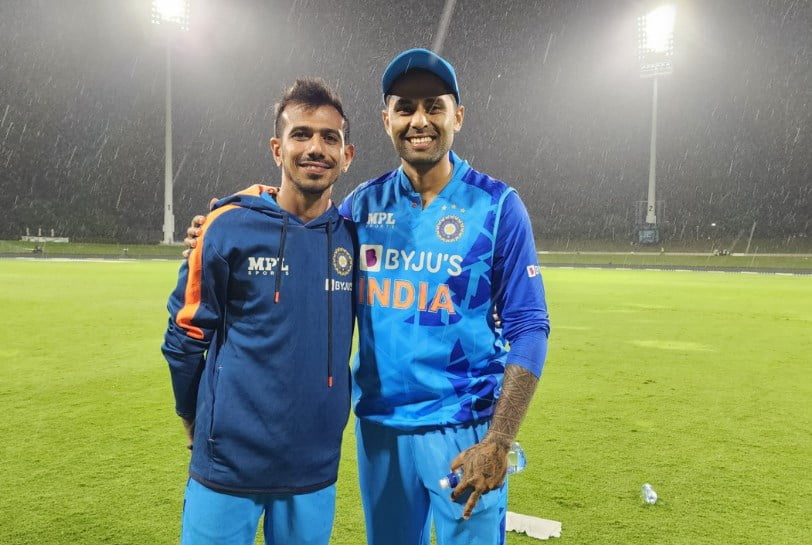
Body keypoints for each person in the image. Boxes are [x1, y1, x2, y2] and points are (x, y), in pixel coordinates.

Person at [184, 49, 550, 545]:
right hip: (380, 430)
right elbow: (301, 219)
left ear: (458, 117)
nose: (419, 120)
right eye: (405, 108)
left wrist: (500, 440)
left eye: (434, 107)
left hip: (465, 429)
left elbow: (530, 327)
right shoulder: (362, 207)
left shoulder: (498, 206)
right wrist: (230, 218)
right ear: (386, 120)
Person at [162, 78, 356, 545]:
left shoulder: (357, 237)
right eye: (301, 134)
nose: (316, 148)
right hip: (228, 462)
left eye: (329, 138)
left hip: (314, 466)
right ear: (276, 148)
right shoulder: (228, 227)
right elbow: (184, 337)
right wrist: (192, 418)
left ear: (346, 155)